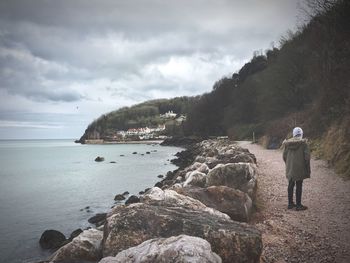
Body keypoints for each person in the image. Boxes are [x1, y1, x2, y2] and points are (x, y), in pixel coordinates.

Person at [282, 127, 311, 211]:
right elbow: (307, 157)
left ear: (293, 134)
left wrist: (289, 164)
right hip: (300, 168)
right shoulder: (304, 144)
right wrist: (306, 167)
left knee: (290, 184)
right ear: (301, 134)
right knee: (299, 185)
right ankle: (298, 205)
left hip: (290, 168)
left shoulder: (287, 144)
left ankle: (290, 204)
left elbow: (284, 156)